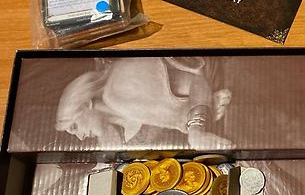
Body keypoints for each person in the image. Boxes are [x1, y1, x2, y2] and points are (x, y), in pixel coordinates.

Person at [55, 56, 231, 148]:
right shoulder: (113, 132)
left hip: (230, 79)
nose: (81, 137)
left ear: (86, 103)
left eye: (74, 127)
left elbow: (196, 82)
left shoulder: (122, 80)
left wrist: (196, 132)